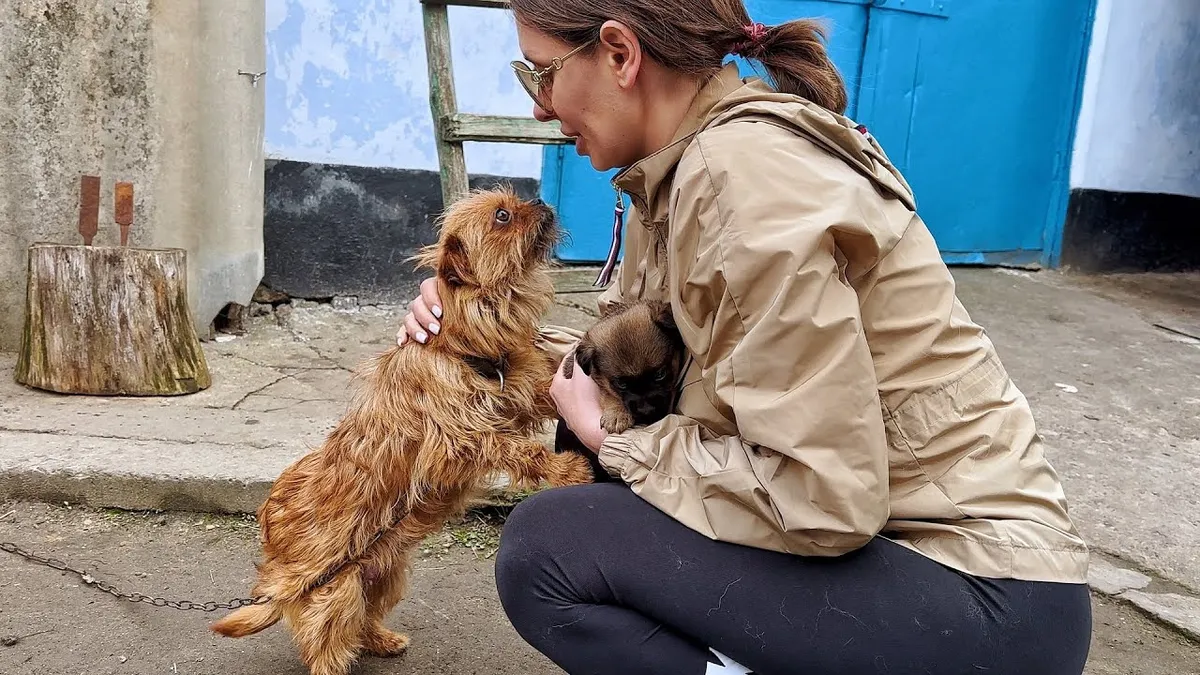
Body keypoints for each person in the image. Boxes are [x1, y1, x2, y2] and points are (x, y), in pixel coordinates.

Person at [397, 1, 1093, 673]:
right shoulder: (675, 175)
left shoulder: (743, 182)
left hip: (984, 593)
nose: (539, 105)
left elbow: (825, 495)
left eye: (542, 72)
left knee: (549, 551)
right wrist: (470, 327)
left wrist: (623, 443)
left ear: (619, 53)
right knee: (591, 481)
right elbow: (642, 360)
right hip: (909, 559)